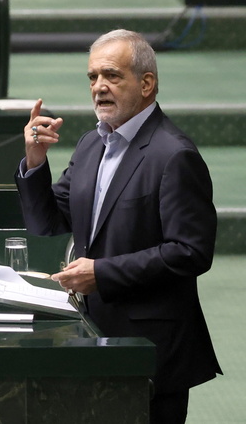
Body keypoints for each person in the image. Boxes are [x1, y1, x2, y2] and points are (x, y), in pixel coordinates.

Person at [15, 29, 221, 423]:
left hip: (150, 349)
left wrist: (102, 273)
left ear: (147, 84)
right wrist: (35, 162)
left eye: (111, 75)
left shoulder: (174, 155)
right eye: (92, 77)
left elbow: (192, 251)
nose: (99, 88)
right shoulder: (91, 145)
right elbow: (51, 225)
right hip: (94, 335)